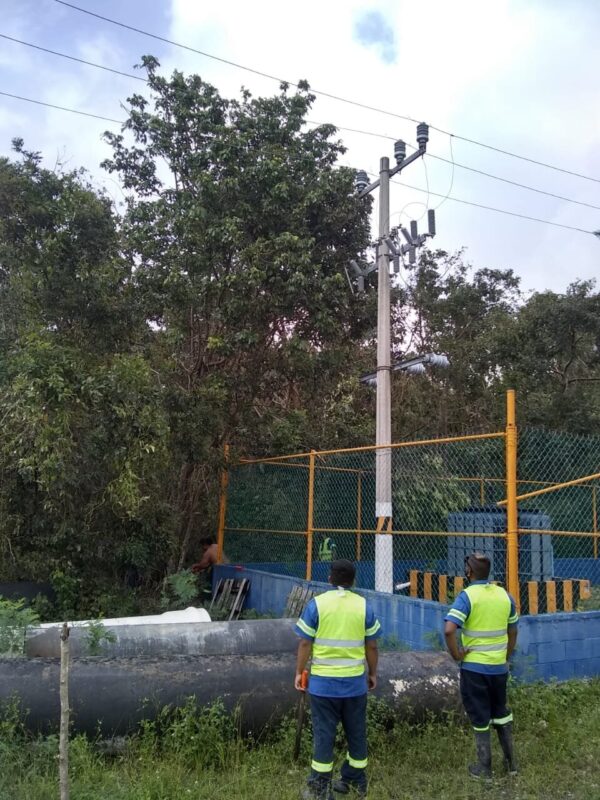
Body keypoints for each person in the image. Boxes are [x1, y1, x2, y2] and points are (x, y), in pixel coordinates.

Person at [294, 559, 381, 800]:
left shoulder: (317, 605)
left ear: (330, 579)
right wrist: (372, 673)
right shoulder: (364, 606)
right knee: (356, 732)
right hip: (354, 685)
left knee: (324, 734)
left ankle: (320, 788)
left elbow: (304, 642)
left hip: (324, 687)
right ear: (353, 581)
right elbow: (372, 645)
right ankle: (355, 780)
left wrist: (299, 672)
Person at [444, 552, 519, 780]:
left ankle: (484, 768)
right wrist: (505, 656)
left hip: (475, 669)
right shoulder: (504, 595)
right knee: (500, 712)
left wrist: (457, 654)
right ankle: (511, 764)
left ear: (469, 572)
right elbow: (513, 630)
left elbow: (449, 629)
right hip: (499, 668)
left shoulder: (467, 596)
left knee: (480, 716)